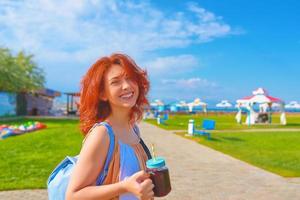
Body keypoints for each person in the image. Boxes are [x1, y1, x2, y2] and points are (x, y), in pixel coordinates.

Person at [66, 53, 154, 200]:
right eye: (115, 82)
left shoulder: (133, 129)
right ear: (102, 94)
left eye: (130, 78)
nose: (126, 86)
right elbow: (73, 195)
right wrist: (124, 187)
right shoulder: (102, 134)